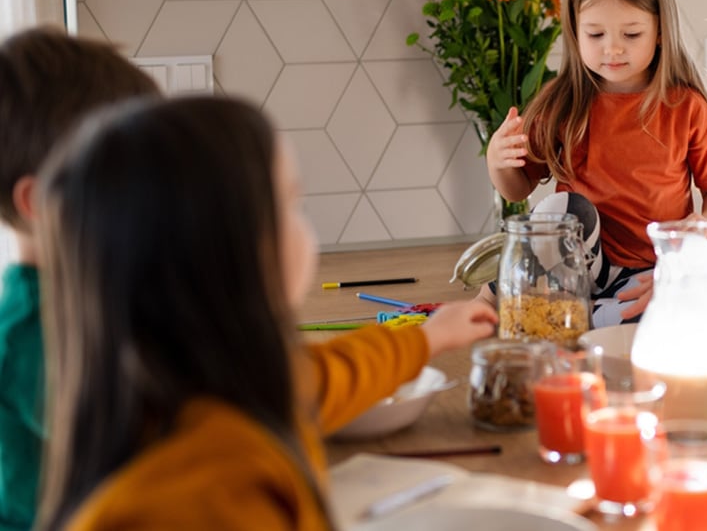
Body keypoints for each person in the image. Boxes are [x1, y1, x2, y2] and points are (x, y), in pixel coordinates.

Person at [33, 95, 498, 529]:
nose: (305, 221)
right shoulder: (212, 492)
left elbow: (333, 374)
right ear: (228, 251)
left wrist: (429, 338)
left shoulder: (223, 391)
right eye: (291, 203)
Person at [486, 0, 707, 327]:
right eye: (596, 35)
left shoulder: (686, 108)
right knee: (564, 209)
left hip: (651, 272)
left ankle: (585, 316)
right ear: (575, 31)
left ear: (660, 31)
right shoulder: (563, 101)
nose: (613, 49)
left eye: (631, 34)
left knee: (629, 322)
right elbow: (518, 189)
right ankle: (528, 300)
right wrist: (496, 159)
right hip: (577, 267)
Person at [0, 26, 162, 530]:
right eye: (123, 179)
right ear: (43, 204)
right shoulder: (34, 330)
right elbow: (140, 443)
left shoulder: (79, 297)